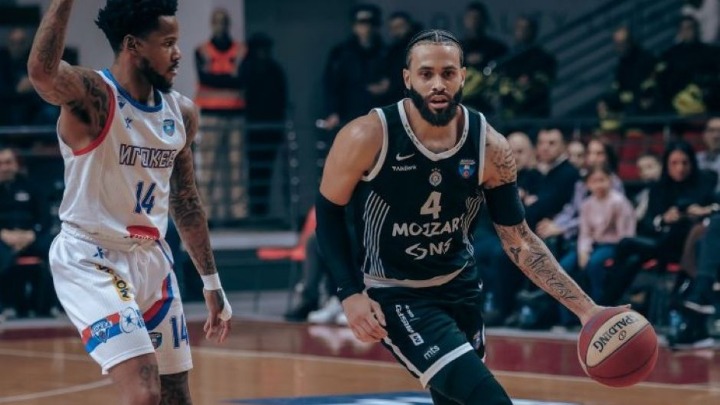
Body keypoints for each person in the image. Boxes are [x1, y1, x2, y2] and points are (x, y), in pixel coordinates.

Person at [316, 29, 605, 405]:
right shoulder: (367, 135)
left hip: (461, 287)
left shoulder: (489, 146)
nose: (438, 83)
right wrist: (349, 292)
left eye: (448, 73)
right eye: (426, 73)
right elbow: (328, 212)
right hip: (396, 292)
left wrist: (587, 310)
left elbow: (518, 239)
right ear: (407, 78)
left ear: (463, 77)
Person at [27, 1, 232, 404]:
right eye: (167, 43)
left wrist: (211, 282)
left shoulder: (181, 112)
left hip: (151, 258)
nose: (178, 54)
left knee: (176, 394)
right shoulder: (94, 97)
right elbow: (42, 73)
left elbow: (186, 201)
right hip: (91, 258)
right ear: (133, 45)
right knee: (143, 393)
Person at [194, 7, 248, 224]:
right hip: (210, 117)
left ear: (228, 24)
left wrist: (217, 78)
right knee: (208, 167)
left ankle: (239, 213)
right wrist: (229, 78)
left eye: (223, 21)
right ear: (211, 24)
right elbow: (205, 79)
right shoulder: (202, 51)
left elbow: (242, 80)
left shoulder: (241, 51)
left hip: (235, 114)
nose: (220, 25)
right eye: (217, 21)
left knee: (237, 166)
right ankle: (207, 213)